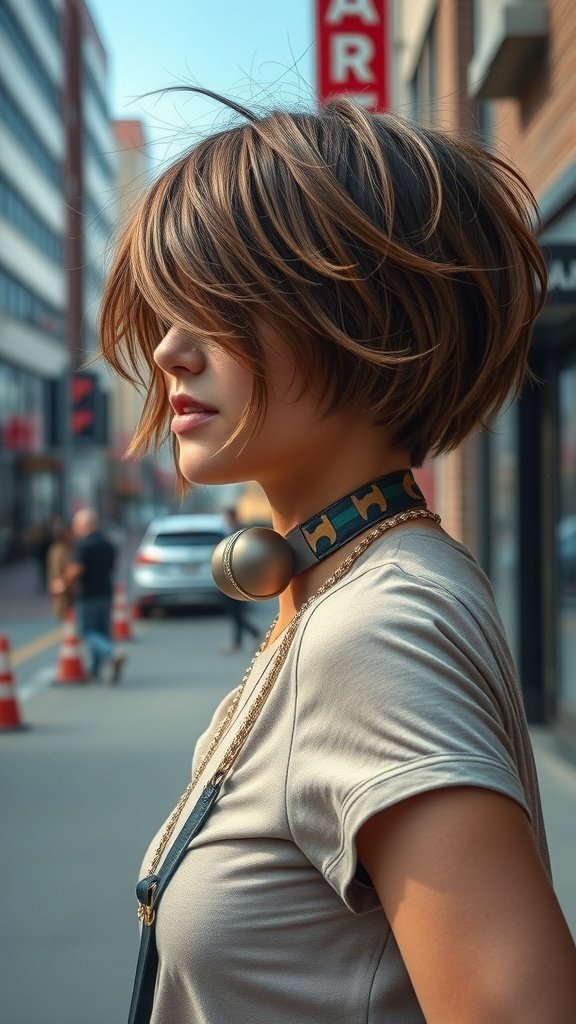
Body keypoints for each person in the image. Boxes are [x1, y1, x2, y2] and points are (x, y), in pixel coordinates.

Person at [99, 92, 576, 1023]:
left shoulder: (375, 625)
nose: (170, 351)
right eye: (167, 311)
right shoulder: (354, 579)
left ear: (364, 313)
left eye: (219, 305)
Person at [63, 508, 125, 684]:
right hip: (106, 592)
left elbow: (76, 570)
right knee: (102, 632)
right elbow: (112, 567)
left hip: (87, 594)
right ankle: (95, 669)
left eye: (76, 525)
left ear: (84, 525)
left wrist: (62, 584)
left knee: (88, 632)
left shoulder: (83, 545)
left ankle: (111, 653)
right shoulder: (108, 543)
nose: (75, 529)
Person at [219, 507, 262, 653]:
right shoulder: (234, 531)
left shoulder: (238, 533)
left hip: (237, 580)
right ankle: (239, 642)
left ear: (231, 517)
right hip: (234, 580)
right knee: (236, 614)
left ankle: (252, 635)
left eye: (226, 517)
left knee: (236, 613)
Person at [46, 521, 74, 620]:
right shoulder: (59, 550)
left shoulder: (66, 548)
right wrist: (60, 582)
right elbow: (56, 570)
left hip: (67, 586)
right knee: (65, 614)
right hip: (63, 586)